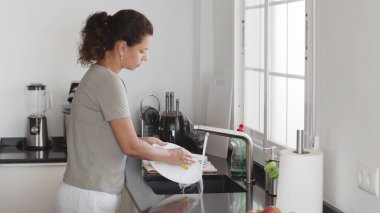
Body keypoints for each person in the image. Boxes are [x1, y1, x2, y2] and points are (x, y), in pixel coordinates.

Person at [56, 9, 197, 213]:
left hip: (86, 194)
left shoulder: (99, 75)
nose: (146, 57)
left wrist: (144, 140)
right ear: (122, 47)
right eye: (142, 50)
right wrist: (171, 156)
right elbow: (130, 147)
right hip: (89, 199)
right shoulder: (108, 82)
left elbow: (109, 137)